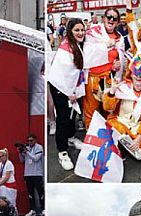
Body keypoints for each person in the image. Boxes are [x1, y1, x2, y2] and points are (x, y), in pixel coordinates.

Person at [48, 17, 86, 171]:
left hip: (72, 89)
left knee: (72, 117)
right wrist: (70, 92)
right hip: (60, 88)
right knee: (63, 119)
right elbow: (62, 74)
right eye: (77, 30)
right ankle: (62, 151)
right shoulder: (65, 48)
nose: (80, 32)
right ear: (70, 31)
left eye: (82, 30)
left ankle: (70, 138)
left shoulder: (77, 44)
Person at [103, 54, 141, 160]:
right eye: (135, 74)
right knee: (114, 129)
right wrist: (112, 92)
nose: (138, 77)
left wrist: (139, 138)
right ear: (131, 74)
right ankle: (120, 149)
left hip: (137, 127)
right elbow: (107, 107)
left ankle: (126, 145)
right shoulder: (123, 87)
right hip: (121, 123)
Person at [83, 7, 123, 129]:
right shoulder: (92, 33)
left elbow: (120, 57)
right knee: (92, 111)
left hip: (109, 78)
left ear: (117, 22)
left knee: (109, 109)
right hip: (93, 78)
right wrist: (106, 45)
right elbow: (87, 55)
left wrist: (117, 65)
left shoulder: (119, 37)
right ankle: (92, 141)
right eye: (109, 17)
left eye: (114, 18)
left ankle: (109, 140)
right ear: (103, 18)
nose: (111, 20)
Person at [19, 135, 44, 216]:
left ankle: (43, 209)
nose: (29, 142)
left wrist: (27, 152)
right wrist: (20, 152)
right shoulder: (27, 148)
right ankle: (32, 209)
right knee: (30, 193)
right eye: (28, 141)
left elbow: (36, 158)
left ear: (35, 140)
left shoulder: (39, 147)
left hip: (37, 173)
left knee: (40, 192)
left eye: (31, 140)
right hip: (28, 174)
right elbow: (21, 160)